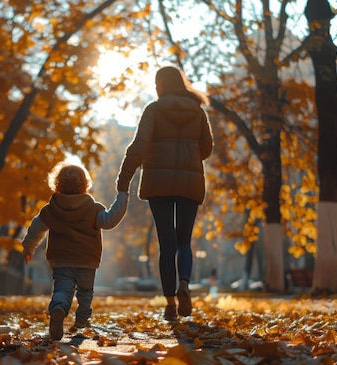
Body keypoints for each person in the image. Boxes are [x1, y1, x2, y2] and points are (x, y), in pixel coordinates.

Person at [116, 66, 213, 321]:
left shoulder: (154, 110)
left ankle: (170, 303)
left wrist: (123, 181)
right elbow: (206, 149)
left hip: (158, 183)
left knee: (166, 244)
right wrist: (187, 155)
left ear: (160, 84)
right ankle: (184, 283)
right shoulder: (198, 111)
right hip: (190, 183)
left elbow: (139, 147)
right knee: (184, 241)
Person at [22, 162, 128, 340]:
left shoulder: (51, 210)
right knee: (85, 292)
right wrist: (122, 197)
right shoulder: (93, 209)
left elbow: (36, 229)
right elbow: (110, 220)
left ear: (56, 184)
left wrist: (28, 248)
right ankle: (81, 321)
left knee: (62, 289)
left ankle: (58, 308)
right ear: (85, 184)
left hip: (61, 260)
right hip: (87, 260)